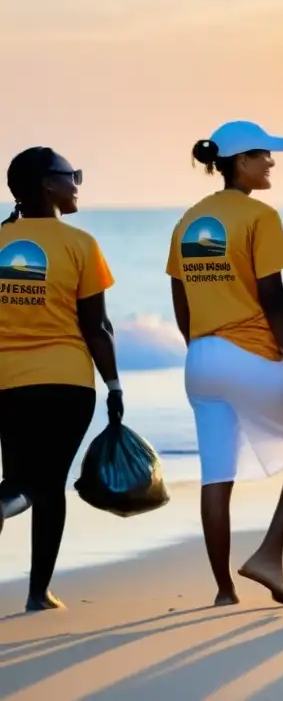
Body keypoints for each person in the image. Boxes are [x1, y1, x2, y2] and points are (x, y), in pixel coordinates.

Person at [167, 121, 283, 607]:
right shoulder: (259, 216)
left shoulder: (188, 220)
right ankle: (269, 555)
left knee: (217, 473)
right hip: (248, 352)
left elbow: (180, 300)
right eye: (263, 155)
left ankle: (223, 590)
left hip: (200, 358)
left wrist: (202, 348)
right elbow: (274, 298)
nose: (271, 163)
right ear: (240, 161)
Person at [0, 147, 121, 611]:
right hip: (65, 383)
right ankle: (37, 594)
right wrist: (114, 385)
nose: (76, 184)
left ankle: (37, 589)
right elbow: (97, 326)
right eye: (70, 176)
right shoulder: (80, 244)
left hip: (6, 383)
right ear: (47, 185)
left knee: (19, 480)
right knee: (48, 484)